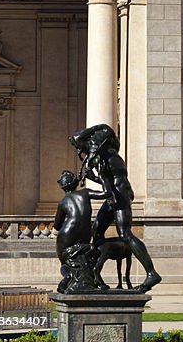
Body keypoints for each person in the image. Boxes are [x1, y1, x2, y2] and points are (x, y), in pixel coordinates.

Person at [69, 123, 162, 293]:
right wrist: (94, 177)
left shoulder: (104, 157)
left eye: (80, 147)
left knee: (125, 234)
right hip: (116, 195)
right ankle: (93, 276)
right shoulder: (109, 156)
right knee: (96, 230)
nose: (79, 151)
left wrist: (90, 188)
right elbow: (110, 181)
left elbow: (108, 189)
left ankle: (151, 273)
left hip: (119, 196)